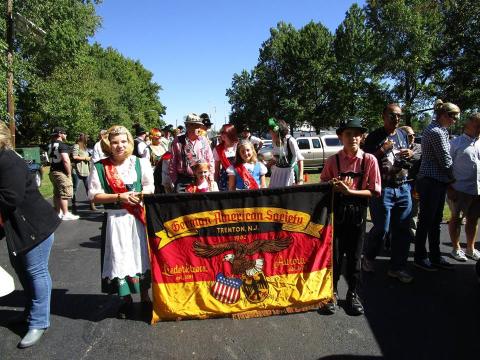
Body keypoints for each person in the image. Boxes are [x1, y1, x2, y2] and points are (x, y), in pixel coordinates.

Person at [0, 121, 61, 348]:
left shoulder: (8, 161)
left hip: (35, 227)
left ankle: (39, 322)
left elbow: (10, 198)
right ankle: (29, 314)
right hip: (18, 228)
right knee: (21, 270)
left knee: (36, 272)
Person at [87, 125, 154, 319]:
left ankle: (145, 297)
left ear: (130, 142)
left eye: (123, 141)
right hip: (116, 220)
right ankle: (125, 300)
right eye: (115, 142)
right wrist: (119, 196)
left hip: (137, 218)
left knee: (140, 255)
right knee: (120, 256)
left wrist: (140, 194)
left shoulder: (141, 163)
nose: (119, 146)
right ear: (108, 144)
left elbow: (150, 186)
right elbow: (94, 196)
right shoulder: (100, 166)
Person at [321, 118, 381, 315]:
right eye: (348, 133)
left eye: (357, 133)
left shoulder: (369, 160)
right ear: (341, 136)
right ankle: (332, 293)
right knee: (335, 256)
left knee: (355, 257)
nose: (353, 137)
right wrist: (334, 186)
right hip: (337, 213)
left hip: (358, 214)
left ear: (362, 136)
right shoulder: (333, 161)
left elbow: (374, 192)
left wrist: (350, 192)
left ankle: (353, 294)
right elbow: (322, 188)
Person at [362, 104, 414, 283]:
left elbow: (407, 156)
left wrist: (410, 153)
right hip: (383, 189)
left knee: (402, 229)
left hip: (403, 185)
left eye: (399, 116)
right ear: (383, 115)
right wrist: (382, 150)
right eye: (392, 115)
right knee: (382, 228)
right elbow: (365, 163)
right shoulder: (374, 136)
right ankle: (368, 257)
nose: (396, 118)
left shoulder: (402, 134)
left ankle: (397, 268)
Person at [414, 99, 460, 271]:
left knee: (435, 221)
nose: (455, 120)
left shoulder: (440, 130)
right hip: (431, 182)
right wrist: (453, 180)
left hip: (436, 182)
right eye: (453, 117)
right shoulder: (436, 132)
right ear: (443, 115)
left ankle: (435, 256)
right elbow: (445, 160)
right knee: (426, 221)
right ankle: (420, 257)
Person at [447, 113, 480, 262]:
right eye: (477, 125)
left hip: (477, 190)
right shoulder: (456, 143)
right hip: (459, 189)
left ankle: (470, 248)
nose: (479, 128)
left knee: (473, 219)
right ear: (468, 125)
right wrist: (450, 188)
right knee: (456, 219)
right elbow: (446, 167)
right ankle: (456, 248)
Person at [169, 113, 214, 193]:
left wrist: (210, 178)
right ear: (187, 126)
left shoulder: (203, 140)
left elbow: (210, 160)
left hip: (202, 179)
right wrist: (175, 181)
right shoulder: (178, 140)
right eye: (195, 125)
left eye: (199, 125)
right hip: (183, 181)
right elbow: (173, 163)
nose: (198, 128)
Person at [48, 127, 79, 220]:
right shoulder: (62, 145)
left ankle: (58, 212)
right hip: (61, 172)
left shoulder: (50, 145)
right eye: (65, 133)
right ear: (60, 134)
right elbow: (66, 160)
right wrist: (69, 173)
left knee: (57, 193)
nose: (66, 135)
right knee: (65, 192)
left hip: (52, 171)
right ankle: (65, 213)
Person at [267, 118, 304, 188]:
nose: (270, 133)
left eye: (271, 131)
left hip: (289, 173)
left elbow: (300, 159)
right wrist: (266, 165)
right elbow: (276, 158)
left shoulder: (290, 141)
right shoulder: (274, 142)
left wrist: (300, 179)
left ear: (277, 132)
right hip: (277, 173)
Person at [400, 125, 422, 236]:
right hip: (399, 184)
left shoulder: (419, 147)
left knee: (414, 209)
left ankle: (412, 232)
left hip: (415, 183)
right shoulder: (396, 147)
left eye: (414, 134)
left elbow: (422, 159)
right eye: (409, 135)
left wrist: (412, 154)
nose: (413, 137)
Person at [71, 133, 96, 211]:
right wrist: (85, 158)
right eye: (86, 138)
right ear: (83, 138)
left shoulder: (84, 147)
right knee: (75, 188)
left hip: (86, 170)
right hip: (77, 170)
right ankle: (73, 205)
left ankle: (92, 205)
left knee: (89, 188)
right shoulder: (76, 146)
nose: (87, 139)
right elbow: (74, 156)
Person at [214, 124, 239, 191]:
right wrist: (215, 185)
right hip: (225, 179)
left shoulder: (239, 146)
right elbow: (216, 170)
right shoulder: (217, 149)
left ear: (230, 133)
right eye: (221, 132)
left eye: (223, 132)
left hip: (239, 177)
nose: (221, 134)